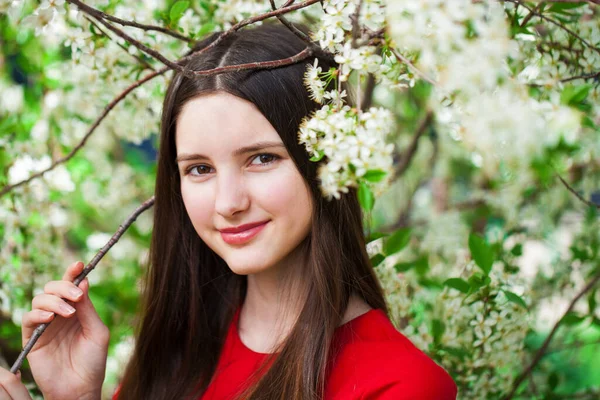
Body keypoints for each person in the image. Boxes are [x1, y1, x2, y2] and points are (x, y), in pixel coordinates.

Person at [0, 22, 457, 400]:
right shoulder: (178, 351)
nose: (228, 203)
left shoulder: (401, 385)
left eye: (262, 158)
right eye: (199, 169)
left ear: (328, 158)